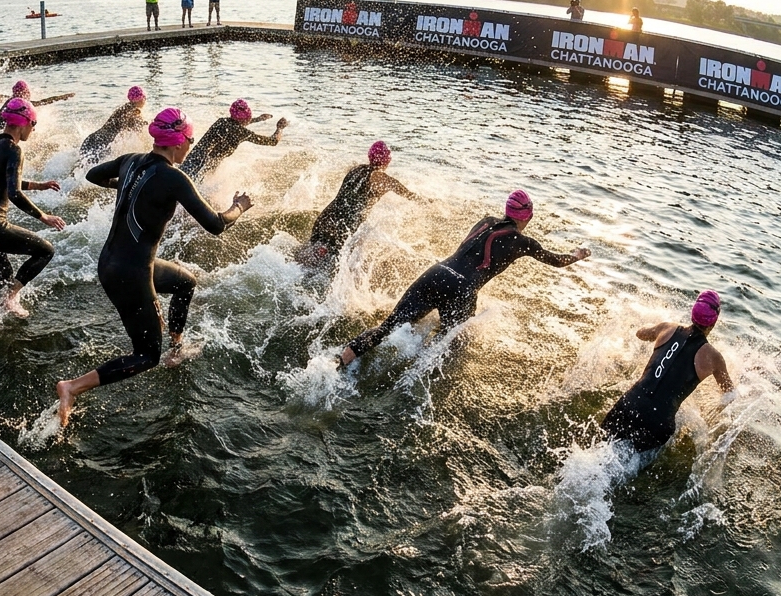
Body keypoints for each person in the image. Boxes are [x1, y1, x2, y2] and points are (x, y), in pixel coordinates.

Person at [55, 108, 251, 426]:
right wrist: (238, 207)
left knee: (185, 282)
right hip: (130, 273)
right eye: (189, 139)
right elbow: (216, 225)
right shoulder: (174, 178)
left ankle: (176, 347)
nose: (191, 144)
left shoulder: (131, 160)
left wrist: (130, 187)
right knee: (146, 356)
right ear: (176, 142)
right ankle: (72, 387)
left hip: (112, 262)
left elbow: (93, 175)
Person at [338, 190, 591, 366]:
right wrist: (577, 255)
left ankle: (343, 359)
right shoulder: (522, 242)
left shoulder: (486, 221)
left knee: (387, 327)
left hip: (437, 273)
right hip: (462, 290)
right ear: (528, 216)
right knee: (448, 349)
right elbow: (556, 261)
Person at [0, 97, 66, 316]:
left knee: (4, 273)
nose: (34, 130)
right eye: (34, 124)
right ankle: (10, 297)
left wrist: (39, 186)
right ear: (24, 123)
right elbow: (14, 192)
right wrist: (43, 216)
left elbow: (2, 179)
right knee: (46, 250)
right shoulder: (14, 150)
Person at [598, 290, 733, 454]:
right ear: (714, 322)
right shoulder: (714, 357)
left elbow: (640, 333)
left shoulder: (667, 328)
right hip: (658, 424)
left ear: (693, 313)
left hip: (630, 404)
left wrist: (650, 327)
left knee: (598, 450)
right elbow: (729, 393)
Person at [298, 141, 418, 266]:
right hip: (343, 226)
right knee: (331, 265)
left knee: (309, 259)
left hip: (326, 218)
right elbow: (410, 196)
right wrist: (431, 202)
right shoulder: (384, 179)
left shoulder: (356, 169)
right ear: (388, 160)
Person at [180, 99, 289, 181]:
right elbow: (272, 141)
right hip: (203, 170)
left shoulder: (221, 122)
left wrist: (258, 119)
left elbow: (235, 125)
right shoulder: (242, 133)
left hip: (190, 162)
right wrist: (280, 128)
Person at [0, 80, 75, 149]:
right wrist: (61, 97)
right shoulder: (19, 106)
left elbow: (0, 96)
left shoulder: (13, 101)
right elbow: (42, 102)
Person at [79, 85, 148, 164]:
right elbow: (138, 131)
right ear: (139, 99)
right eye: (144, 97)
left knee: (82, 166)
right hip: (102, 143)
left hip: (92, 139)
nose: (145, 100)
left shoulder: (123, 108)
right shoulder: (134, 112)